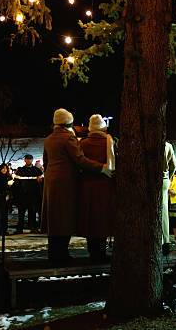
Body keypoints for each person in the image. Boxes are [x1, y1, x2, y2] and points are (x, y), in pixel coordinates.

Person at [41, 108, 111, 264]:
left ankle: (54, 253)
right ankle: (62, 255)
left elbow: (46, 162)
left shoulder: (48, 139)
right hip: (66, 183)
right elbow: (80, 160)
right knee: (64, 218)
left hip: (51, 183)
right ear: (68, 122)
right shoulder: (69, 138)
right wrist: (102, 168)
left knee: (54, 219)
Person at [78, 115, 117, 261]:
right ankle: (101, 249)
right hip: (105, 185)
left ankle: (92, 249)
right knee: (103, 218)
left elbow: (79, 163)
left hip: (87, 185)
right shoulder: (110, 141)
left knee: (90, 218)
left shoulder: (83, 143)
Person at [13, 154, 43, 234]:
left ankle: (33, 228)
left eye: (30, 159)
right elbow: (16, 183)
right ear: (25, 160)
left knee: (33, 212)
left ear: (32, 160)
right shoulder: (20, 170)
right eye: (27, 159)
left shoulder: (37, 170)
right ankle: (20, 229)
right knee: (21, 213)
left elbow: (41, 182)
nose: (28, 160)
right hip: (22, 195)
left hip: (33, 195)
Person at [159, 140, 176, 255]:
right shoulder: (168, 146)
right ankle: (165, 241)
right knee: (164, 211)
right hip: (164, 179)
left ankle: (158, 240)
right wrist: (168, 177)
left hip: (151, 180)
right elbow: (173, 165)